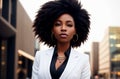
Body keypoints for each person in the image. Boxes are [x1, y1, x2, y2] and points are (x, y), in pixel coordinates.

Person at [32, 0, 91, 79]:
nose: (63, 28)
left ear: (76, 30)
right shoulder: (40, 56)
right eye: (58, 24)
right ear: (52, 29)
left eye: (69, 25)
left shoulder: (83, 59)